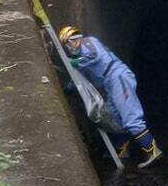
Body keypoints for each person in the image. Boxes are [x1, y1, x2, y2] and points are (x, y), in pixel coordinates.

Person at [58, 26, 162, 168]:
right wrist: (66, 90)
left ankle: (152, 151)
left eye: (75, 39)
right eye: (71, 41)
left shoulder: (89, 42)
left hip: (117, 76)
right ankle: (121, 149)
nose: (75, 42)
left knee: (131, 117)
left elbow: (93, 55)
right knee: (113, 118)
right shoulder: (81, 59)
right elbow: (77, 76)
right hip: (110, 83)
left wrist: (71, 62)